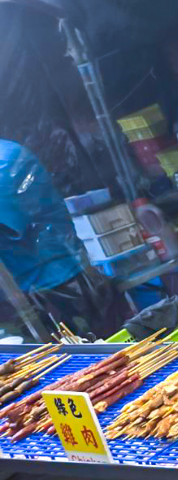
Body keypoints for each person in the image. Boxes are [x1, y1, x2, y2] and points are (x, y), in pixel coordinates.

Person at [0, 139, 120, 338]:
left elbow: (11, 225)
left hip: (54, 282)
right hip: (28, 285)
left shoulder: (3, 162)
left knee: (94, 353)